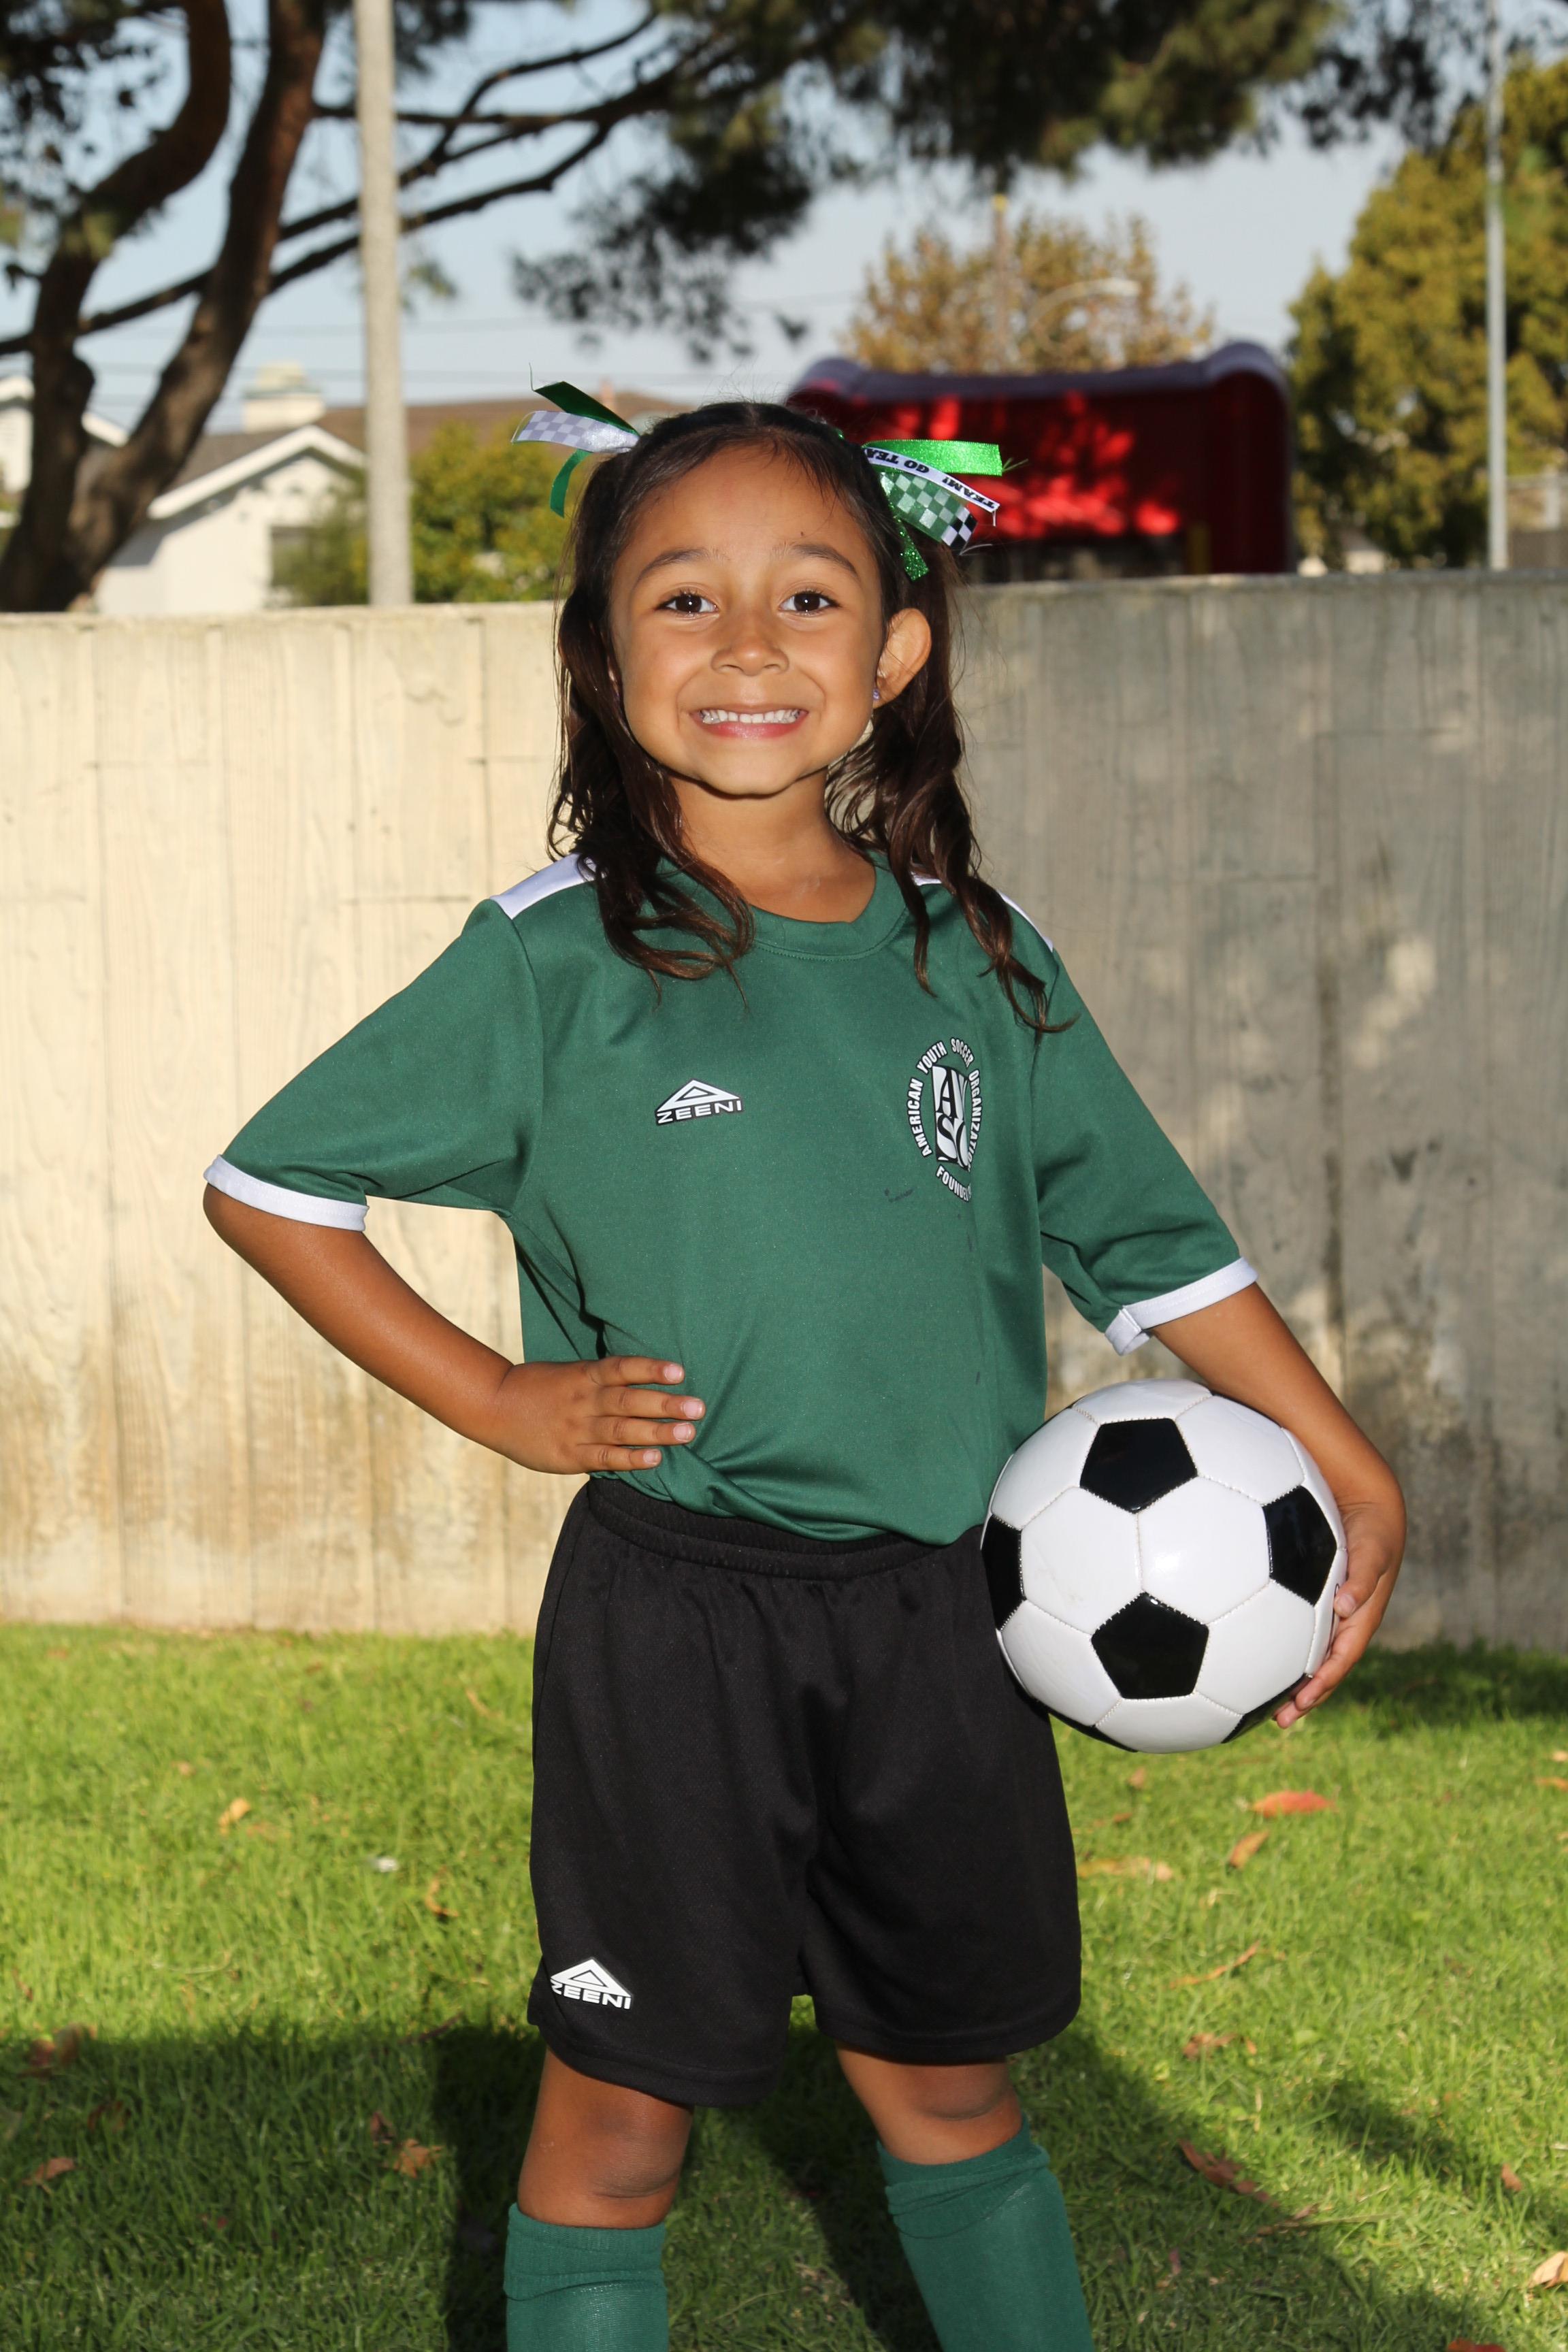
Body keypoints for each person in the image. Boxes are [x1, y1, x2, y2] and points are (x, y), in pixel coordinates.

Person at [203, 398, 1405, 2351]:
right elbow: (271, 1187)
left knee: (953, 2093)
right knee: (622, 2121)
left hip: (949, 1619)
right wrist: (499, 1397)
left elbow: (1153, 1241)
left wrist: (1343, 1453)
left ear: (894, 652)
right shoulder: (555, 961)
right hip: (676, 1625)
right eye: (685, 598)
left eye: (810, 598)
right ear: (603, 651)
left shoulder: (979, 959)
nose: (748, 645)